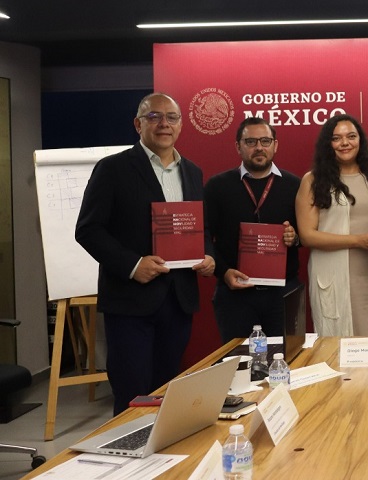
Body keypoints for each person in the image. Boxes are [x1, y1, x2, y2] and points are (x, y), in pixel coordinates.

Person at [75, 93, 216, 415]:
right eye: (154, 117)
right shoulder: (112, 168)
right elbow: (88, 230)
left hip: (178, 301)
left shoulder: (192, 171)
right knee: (132, 397)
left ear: (180, 125)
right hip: (130, 302)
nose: (164, 124)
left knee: (166, 393)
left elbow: (200, 227)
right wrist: (133, 264)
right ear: (138, 125)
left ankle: (161, 448)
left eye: (172, 117)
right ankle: (130, 447)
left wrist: (208, 255)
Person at [204, 117, 302, 343]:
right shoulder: (217, 186)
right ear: (238, 146)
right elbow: (204, 238)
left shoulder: (294, 185)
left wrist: (294, 237)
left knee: (285, 358)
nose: (259, 147)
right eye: (250, 142)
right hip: (235, 294)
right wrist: (224, 272)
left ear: (275, 145)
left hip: (283, 293)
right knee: (240, 360)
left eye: (265, 141)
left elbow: (307, 234)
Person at [295, 114, 368, 336]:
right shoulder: (313, 180)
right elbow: (307, 235)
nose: (345, 143)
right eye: (336, 138)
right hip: (333, 273)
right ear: (328, 144)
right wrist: (357, 240)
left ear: (360, 140)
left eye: (351, 136)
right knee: (339, 341)